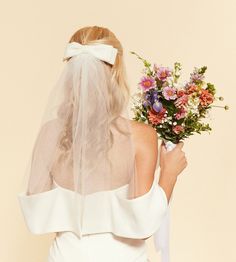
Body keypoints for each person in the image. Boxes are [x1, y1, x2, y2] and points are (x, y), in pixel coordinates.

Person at [17, 25, 187, 262]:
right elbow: (144, 223)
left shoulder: (50, 134)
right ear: (116, 72)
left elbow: (37, 216)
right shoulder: (140, 136)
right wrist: (169, 173)